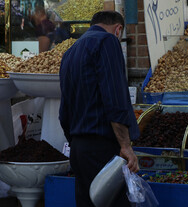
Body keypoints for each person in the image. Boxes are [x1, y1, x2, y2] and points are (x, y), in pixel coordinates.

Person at [59, 11, 140, 207]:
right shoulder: (107, 42)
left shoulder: (70, 52)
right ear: (118, 30)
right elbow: (115, 99)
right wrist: (125, 145)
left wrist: (77, 143)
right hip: (102, 148)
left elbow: (64, 112)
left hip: (79, 148)